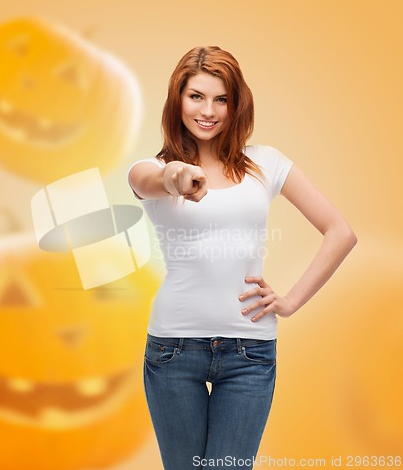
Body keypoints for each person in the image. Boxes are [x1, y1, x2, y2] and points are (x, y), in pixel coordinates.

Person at [127, 46, 357, 470]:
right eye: (195, 96)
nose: (208, 111)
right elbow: (155, 179)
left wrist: (289, 302)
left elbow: (340, 233)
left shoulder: (265, 164)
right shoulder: (152, 168)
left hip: (249, 354)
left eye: (221, 99)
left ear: (237, 104)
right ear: (177, 99)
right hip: (174, 350)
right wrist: (179, 177)